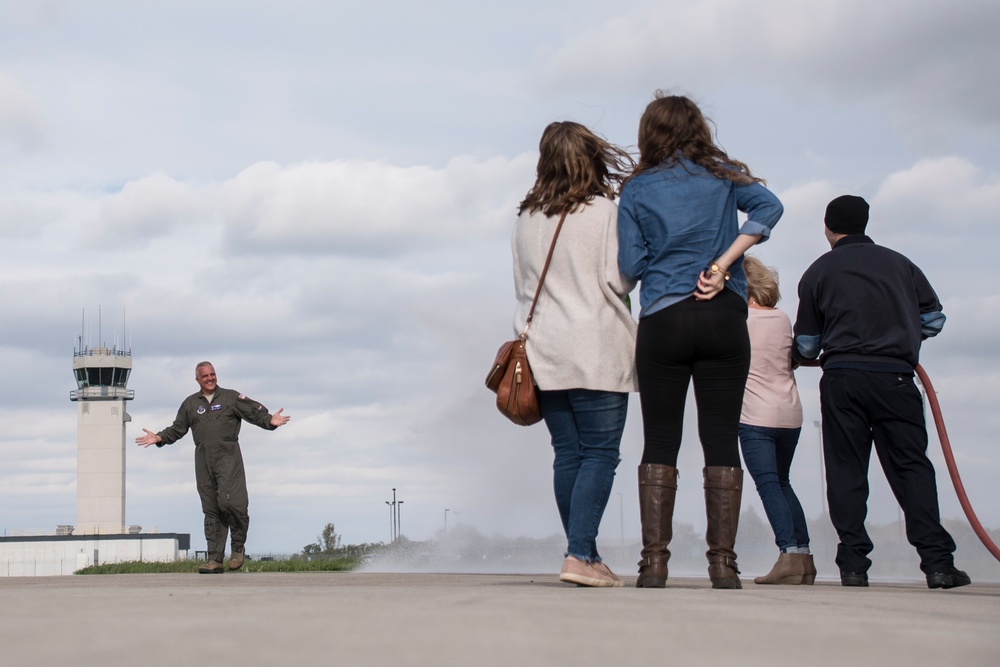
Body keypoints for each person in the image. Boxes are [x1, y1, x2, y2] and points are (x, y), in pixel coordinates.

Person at [617, 92, 783, 589]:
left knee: (660, 439)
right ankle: (723, 564)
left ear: (649, 133)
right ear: (699, 129)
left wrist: (660, 264)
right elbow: (770, 208)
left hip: (663, 321)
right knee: (721, 438)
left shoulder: (637, 189)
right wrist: (721, 264)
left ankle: (654, 563)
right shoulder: (724, 174)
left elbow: (628, 268)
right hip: (722, 320)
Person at [793, 195, 969, 589]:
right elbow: (934, 320)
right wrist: (899, 332)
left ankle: (853, 566)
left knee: (846, 471)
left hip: (843, 380)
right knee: (911, 469)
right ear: (865, 224)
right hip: (896, 378)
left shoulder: (818, 271)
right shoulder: (901, 264)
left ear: (827, 227)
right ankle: (938, 565)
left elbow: (806, 345)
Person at [512, 121, 638, 588]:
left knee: (567, 454)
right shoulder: (605, 211)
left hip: (544, 348)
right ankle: (579, 554)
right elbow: (619, 280)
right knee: (601, 453)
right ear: (591, 157)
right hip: (596, 345)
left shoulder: (525, 217)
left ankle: (584, 554)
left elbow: (522, 286)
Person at [136, 361, 291, 574]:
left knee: (233, 504)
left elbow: (254, 412)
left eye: (213, 374)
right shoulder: (190, 404)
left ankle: (237, 548)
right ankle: (214, 559)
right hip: (203, 461)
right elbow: (177, 429)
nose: (210, 378)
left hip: (229, 458)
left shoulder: (230, 398)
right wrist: (159, 437)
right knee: (211, 509)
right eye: (205, 376)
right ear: (197, 379)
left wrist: (270, 420)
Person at [738, 255, 814, 585]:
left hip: (756, 415)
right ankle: (804, 560)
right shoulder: (781, 319)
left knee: (768, 484)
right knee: (783, 482)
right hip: (790, 414)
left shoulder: (740, 321)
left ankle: (788, 554)